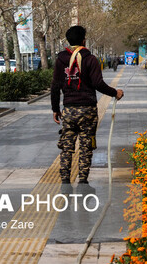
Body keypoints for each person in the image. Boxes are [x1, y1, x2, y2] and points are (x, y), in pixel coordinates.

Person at [51, 26, 124, 184]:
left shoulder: (60, 60)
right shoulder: (90, 59)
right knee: (86, 145)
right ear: (84, 40)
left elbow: (55, 86)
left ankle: (65, 178)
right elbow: (98, 84)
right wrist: (115, 93)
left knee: (66, 146)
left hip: (69, 110)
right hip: (88, 110)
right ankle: (83, 179)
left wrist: (55, 109)